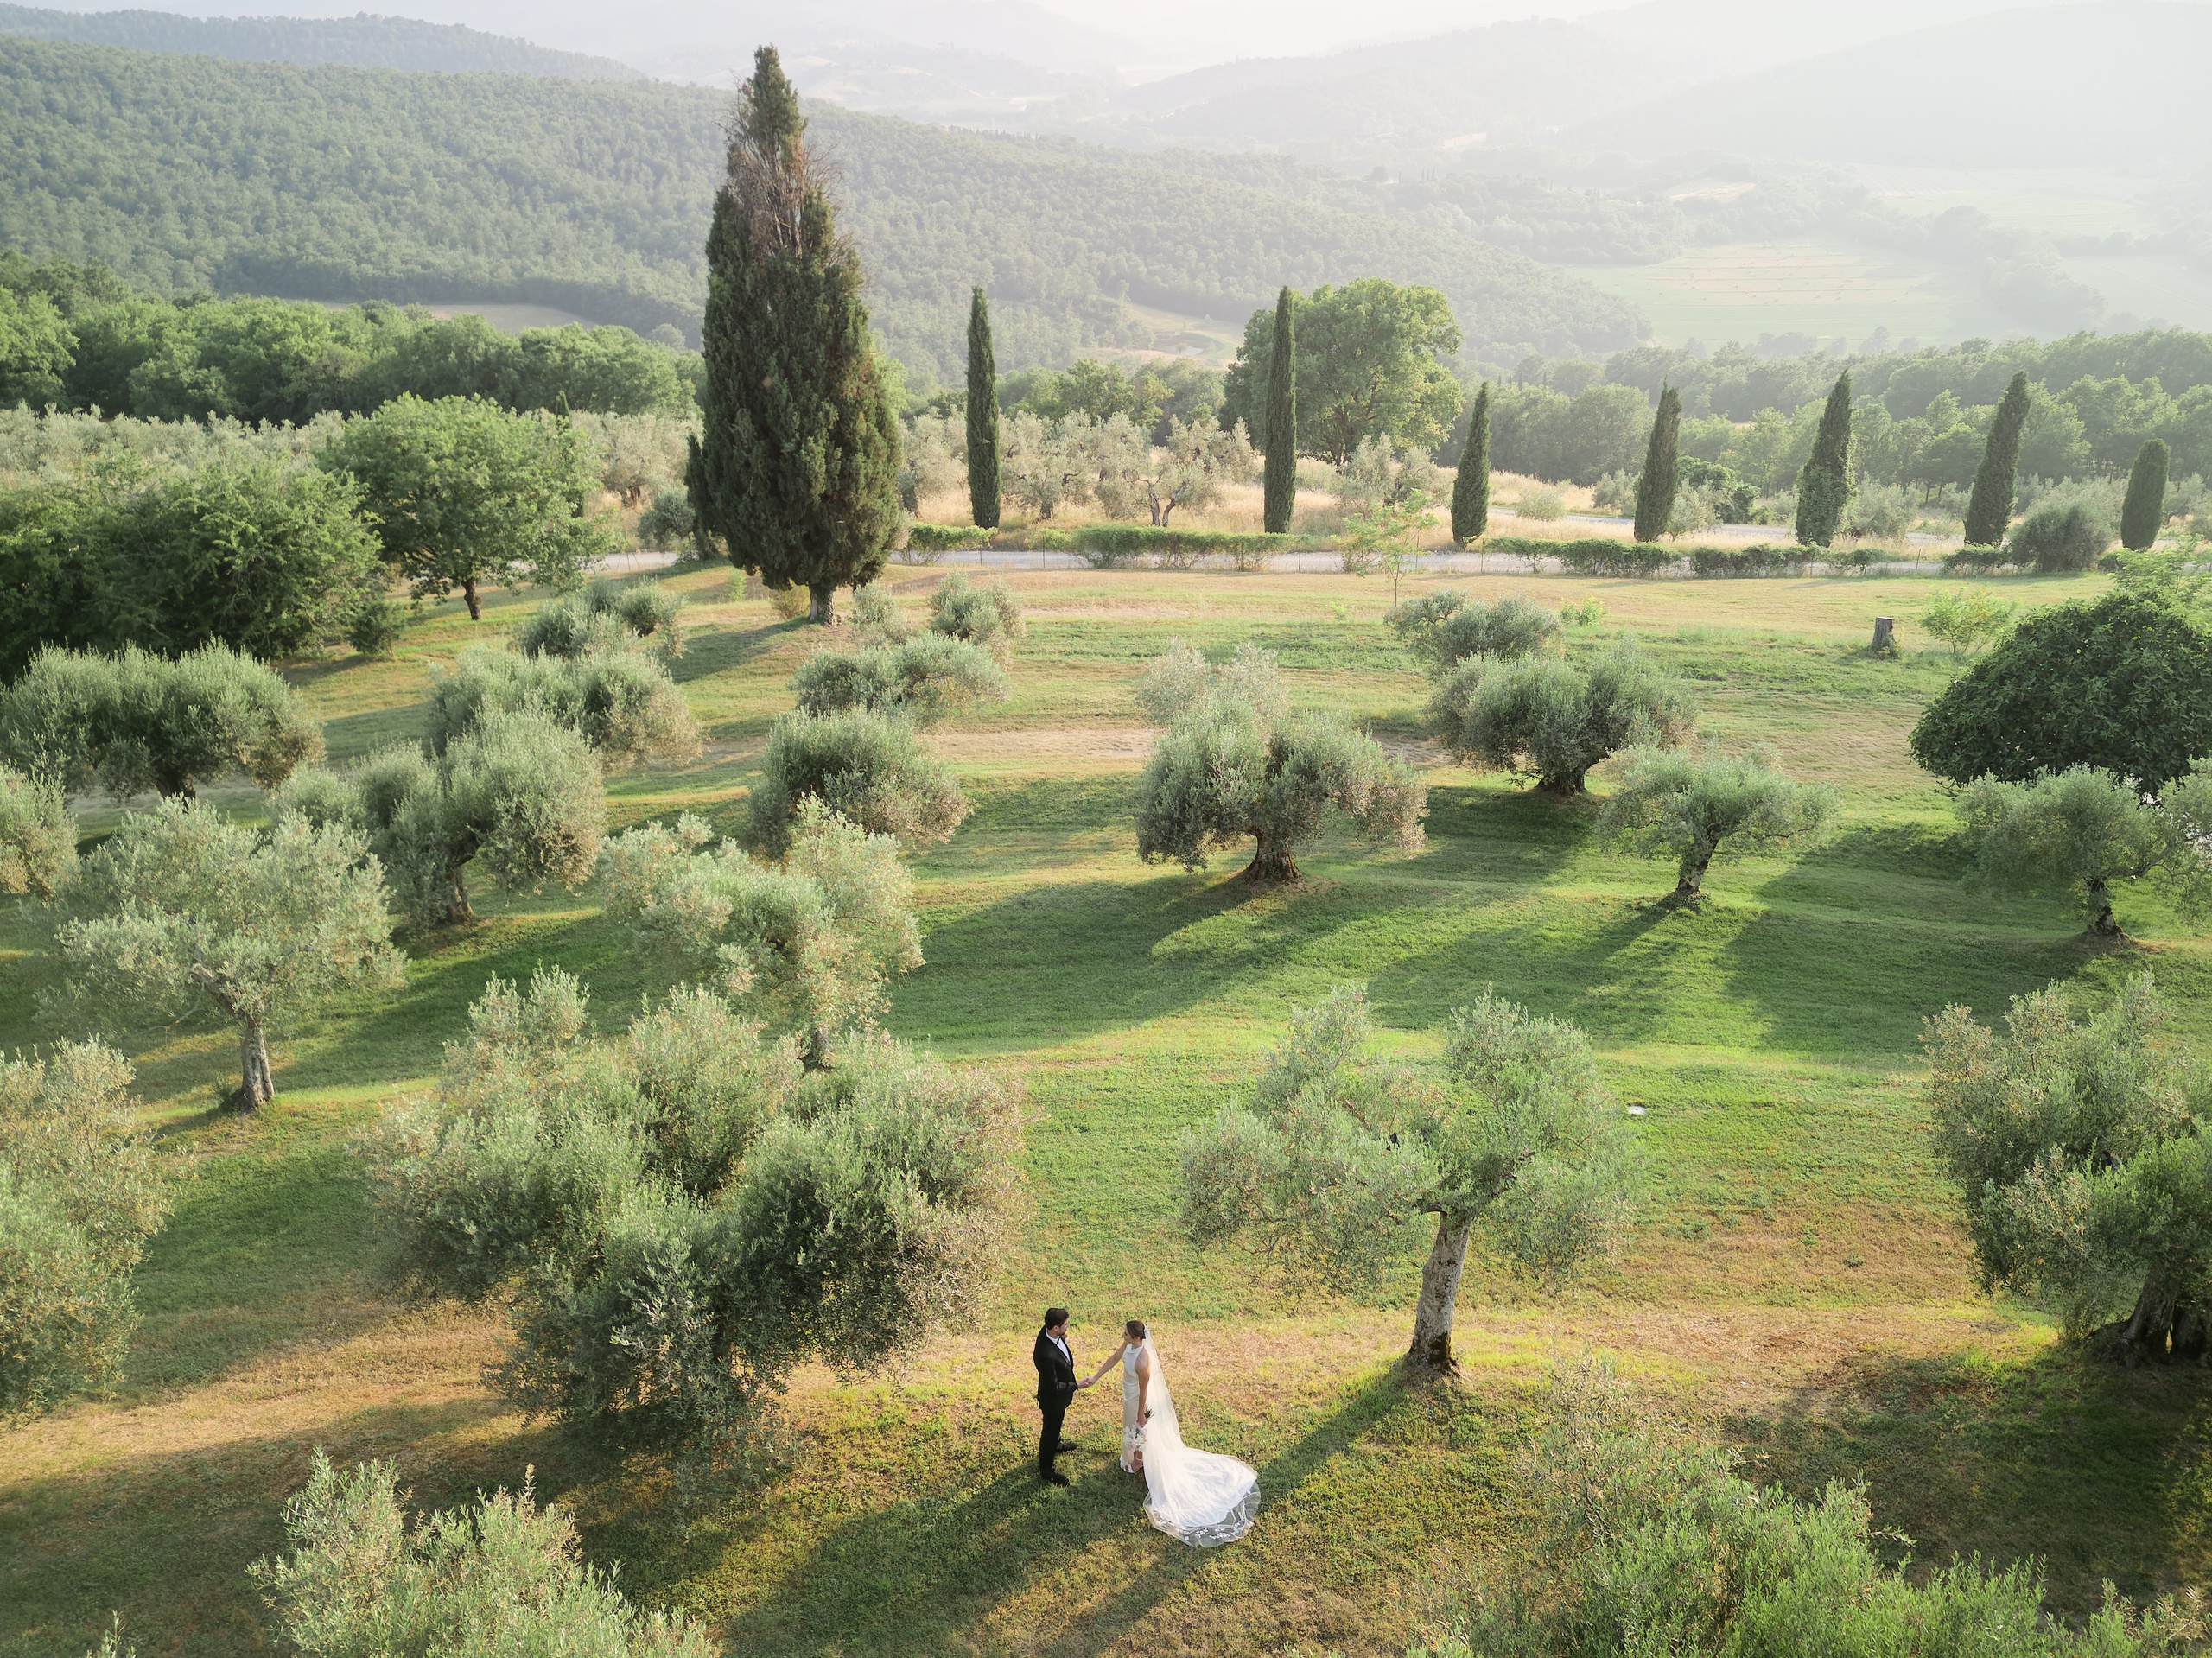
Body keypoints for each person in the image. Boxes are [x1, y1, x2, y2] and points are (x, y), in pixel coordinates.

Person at [1084, 1318, 1259, 1546]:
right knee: (1130, 1429)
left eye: (1126, 1334)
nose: (1123, 1336)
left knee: (1137, 1430)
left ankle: (1138, 1461)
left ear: (1138, 1338)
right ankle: (1136, 1458)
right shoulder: (1128, 1347)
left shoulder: (1143, 1361)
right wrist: (1096, 1377)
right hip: (1128, 1396)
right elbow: (1115, 1358)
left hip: (1137, 1400)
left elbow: (1144, 1391)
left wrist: (1140, 1415)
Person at [1032, 1306, 1090, 1485]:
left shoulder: (1050, 1333)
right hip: (1053, 1400)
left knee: (1055, 1428)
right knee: (1049, 1431)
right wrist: (1077, 1385)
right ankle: (1047, 1470)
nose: (1068, 1326)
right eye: (1065, 1325)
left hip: (1061, 1398)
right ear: (1055, 1328)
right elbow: (1053, 1387)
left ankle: (1057, 1443)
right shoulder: (1045, 1353)